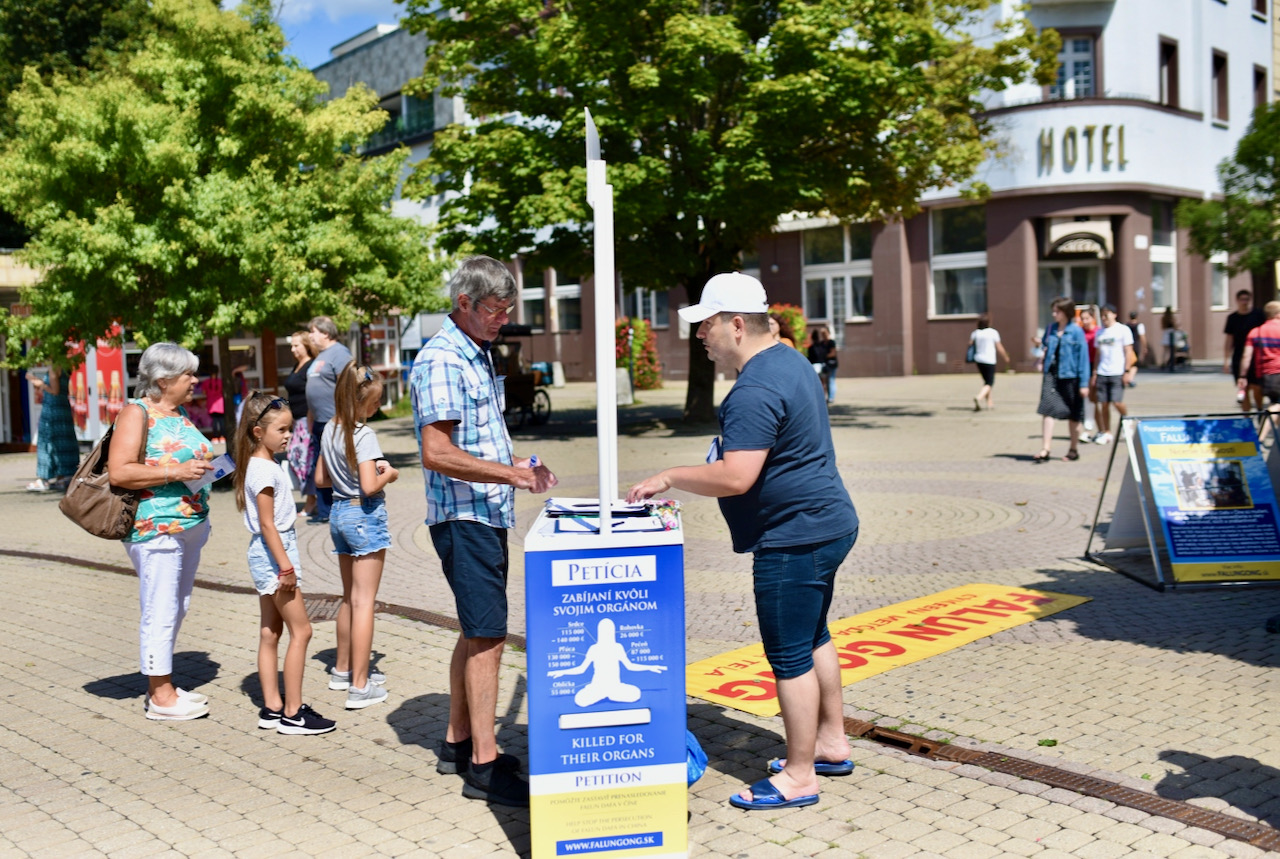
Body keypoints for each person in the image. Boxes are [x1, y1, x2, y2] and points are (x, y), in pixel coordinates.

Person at [627, 272, 859, 812]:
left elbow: (736, 477)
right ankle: (830, 742)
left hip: (793, 536)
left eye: (706, 325)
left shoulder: (753, 389)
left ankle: (800, 776)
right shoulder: (791, 361)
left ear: (736, 324)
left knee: (788, 656)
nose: (700, 337)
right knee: (813, 635)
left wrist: (668, 476)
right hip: (829, 523)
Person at [410, 255, 558, 807]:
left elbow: (477, 441)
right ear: (464, 303)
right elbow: (437, 451)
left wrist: (517, 462)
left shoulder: (473, 351)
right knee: (490, 637)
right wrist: (512, 474)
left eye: (508, 310)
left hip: (482, 511)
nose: (502, 319)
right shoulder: (445, 359)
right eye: (495, 310)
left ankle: (458, 740)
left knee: (477, 629)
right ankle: (484, 765)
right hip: (464, 516)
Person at [106, 343, 215, 721]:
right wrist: (177, 472)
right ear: (163, 379)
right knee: (161, 608)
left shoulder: (179, 411)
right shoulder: (136, 413)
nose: (195, 380)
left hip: (188, 524)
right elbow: (120, 471)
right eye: (189, 374)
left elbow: (183, 459)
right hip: (156, 527)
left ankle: (164, 681)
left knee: (177, 605)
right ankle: (160, 696)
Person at [232, 391, 336, 736]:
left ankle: (272, 706)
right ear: (258, 432)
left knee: (270, 631)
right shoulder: (263, 470)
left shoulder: (262, 464)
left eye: (290, 429)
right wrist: (286, 567)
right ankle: (293, 712)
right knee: (302, 630)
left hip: (267, 552)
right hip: (274, 553)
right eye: (281, 430)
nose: (289, 435)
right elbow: (267, 524)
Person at [317, 362, 398, 710]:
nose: (377, 408)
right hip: (362, 515)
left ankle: (342, 669)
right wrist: (389, 474)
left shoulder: (329, 429)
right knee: (365, 602)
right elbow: (368, 486)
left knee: (349, 598)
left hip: (337, 512)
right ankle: (360, 686)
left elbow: (321, 478)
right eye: (375, 402)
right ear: (360, 401)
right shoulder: (363, 434)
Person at [305, 316, 353, 525]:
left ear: (325, 333)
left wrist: (346, 418)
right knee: (320, 466)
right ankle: (325, 512)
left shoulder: (340, 353)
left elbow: (349, 388)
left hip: (335, 422)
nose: (310, 335)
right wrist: (310, 416)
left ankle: (341, 508)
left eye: (313, 331)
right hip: (319, 422)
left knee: (336, 466)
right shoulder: (321, 356)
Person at [1033, 297, 1091, 463]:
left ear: (1066, 313)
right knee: (1047, 410)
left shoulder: (1077, 332)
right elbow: (1044, 348)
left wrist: (1084, 384)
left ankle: (1073, 449)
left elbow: (1083, 359)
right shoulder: (1050, 329)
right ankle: (1046, 449)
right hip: (1052, 375)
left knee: (1074, 415)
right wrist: (1040, 358)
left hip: (1071, 377)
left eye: (1057, 311)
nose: (1054, 314)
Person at [25, 364, 78, 492]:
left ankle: (45, 479)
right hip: (63, 408)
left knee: (47, 441)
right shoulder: (65, 367)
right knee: (64, 441)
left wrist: (35, 381)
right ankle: (64, 477)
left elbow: (54, 390)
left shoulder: (55, 367)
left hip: (53, 409)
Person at [282, 331, 319, 516]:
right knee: (296, 458)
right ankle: (312, 497)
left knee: (305, 459)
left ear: (306, 345)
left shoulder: (311, 366)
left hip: (308, 421)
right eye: (292, 345)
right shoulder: (298, 366)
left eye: (297, 345)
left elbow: (313, 395)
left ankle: (312, 500)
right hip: (297, 422)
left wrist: (310, 418)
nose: (293, 349)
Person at [1089, 304, 1136, 446]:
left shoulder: (1123, 330)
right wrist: (1095, 372)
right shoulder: (1100, 333)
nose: (1104, 318)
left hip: (1117, 372)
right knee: (1103, 404)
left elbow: (1128, 351)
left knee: (1117, 402)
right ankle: (1107, 432)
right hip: (1103, 372)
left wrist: (1127, 371)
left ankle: (1127, 420)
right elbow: (1098, 354)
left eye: (1106, 314)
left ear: (1114, 314)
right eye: (1102, 315)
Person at [1238, 300, 1280, 440]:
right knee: (1276, 407)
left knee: (1275, 405)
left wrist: (1243, 376)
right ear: (1278, 314)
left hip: (1264, 376)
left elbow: (1246, 356)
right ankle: (1259, 439)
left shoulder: (1256, 332)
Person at [1224, 289, 1266, 413]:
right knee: (1243, 387)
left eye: (1247, 299)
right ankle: (1246, 418)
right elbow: (1229, 340)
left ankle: (1259, 409)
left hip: (1256, 356)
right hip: (1238, 356)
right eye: (1242, 299)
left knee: (1257, 386)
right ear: (1237, 301)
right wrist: (1226, 360)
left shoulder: (1258, 315)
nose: (1244, 302)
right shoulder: (1232, 318)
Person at [968, 313, 1011, 411]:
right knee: (990, 382)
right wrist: (1005, 356)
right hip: (989, 360)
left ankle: (989, 402)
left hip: (978, 359)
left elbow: (970, 344)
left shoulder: (975, 333)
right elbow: (999, 347)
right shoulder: (993, 332)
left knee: (986, 381)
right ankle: (979, 397)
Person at [1079, 306, 1099, 439]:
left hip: (1096, 366)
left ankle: (1101, 428)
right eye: (1082, 319)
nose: (1085, 321)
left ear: (1093, 318)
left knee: (1096, 399)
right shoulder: (1079, 332)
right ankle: (1088, 428)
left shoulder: (1099, 332)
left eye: (1087, 318)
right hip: (1083, 366)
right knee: (1086, 398)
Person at [807, 327, 837, 404]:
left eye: (824, 333)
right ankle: (825, 397)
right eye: (822, 334)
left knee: (829, 381)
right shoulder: (821, 344)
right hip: (823, 365)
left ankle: (829, 397)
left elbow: (833, 353)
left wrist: (824, 356)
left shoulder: (830, 342)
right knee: (824, 382)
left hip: (827, 365)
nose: (823, 335)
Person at [1126, 310, 1149, 377]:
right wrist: (1145, 346)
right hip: (1135, 346)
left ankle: (1128, 376)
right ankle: (1130, 378)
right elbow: (1142, 336)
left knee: (1128, 362)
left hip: (1127, 346)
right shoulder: (1139, 325)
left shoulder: (1126, 325)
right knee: (1134, 364)